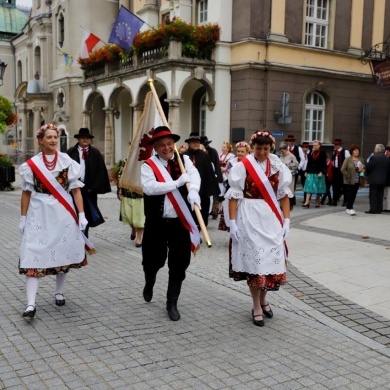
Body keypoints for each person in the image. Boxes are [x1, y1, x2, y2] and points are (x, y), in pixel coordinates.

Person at [18, 124, 90, 318]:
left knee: (62, 252)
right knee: (32, 252)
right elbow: (26, 193)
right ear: (40, 140)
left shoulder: (67, 161)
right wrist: (23, 218)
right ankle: (31, 304)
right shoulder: (32, 164)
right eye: (48, 137)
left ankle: (59, 292)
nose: (52, 140)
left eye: (55, 137)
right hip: (39, 213)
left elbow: (76, 190)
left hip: (62, 213)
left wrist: (82, 215)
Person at [226, 130, 292, 327]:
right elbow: (234, 195)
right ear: (252, 148)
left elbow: (284, 195)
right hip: (249, 215)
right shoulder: (242, 166)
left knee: (269, 261)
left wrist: (287, 220)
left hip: (271, 217)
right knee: (256, 262)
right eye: (258, 148)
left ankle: (264, 299)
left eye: (265, 148)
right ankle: (256, 305)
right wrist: (232, 222)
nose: (261, 152)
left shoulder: (278, 167)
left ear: (270, 148)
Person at [141, 126, 201, 321]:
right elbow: (150, 188)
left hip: (179, 222)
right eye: (162, 145)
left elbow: (194, 176)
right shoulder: (148, 166)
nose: (167, 148)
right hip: (157, 222)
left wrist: (193, 191)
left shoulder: (183, 161)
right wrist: (176, 183)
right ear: (156, 148)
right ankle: (149, 281)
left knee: (179, 262)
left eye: (169, 144)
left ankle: (172, 302)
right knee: (153, 260)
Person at [67, 128, 111, 237]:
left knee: (87, 213)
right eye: (83, 138)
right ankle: (74, 235)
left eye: (87, 138)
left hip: (88, 188)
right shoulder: (70, 152)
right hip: (74, 187)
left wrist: (93, 187)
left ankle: (84, 236)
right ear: (78, 139)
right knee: (74, 211)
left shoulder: (95, 153)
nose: (85, 140)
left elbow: (100, 171)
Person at [183, 133, 220, 227]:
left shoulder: (204, 155)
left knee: (202, 216)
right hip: (187, 191)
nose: (195, 144)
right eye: (193, 142)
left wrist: (211, 189)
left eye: (197, 142)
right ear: (189, 143)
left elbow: (209, 173)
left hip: (203, 191)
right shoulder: (184, 156)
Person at [219, 141, 251, 231]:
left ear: (247, 152)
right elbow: (228, 172)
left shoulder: (250, 162)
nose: (240, 153)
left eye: (242, 151)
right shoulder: (232, 161)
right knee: (230, 208)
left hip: (246, 189)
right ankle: (232, 227)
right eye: (238, 151)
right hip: (232, 187)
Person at [116, 159, 144, 247]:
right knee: (128, 217)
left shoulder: (146, 161)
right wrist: (119, 191)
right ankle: (133, 229)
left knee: (140, 218)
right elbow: (120, 176)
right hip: (127, 193)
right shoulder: (126, 160)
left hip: (141, 194)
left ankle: (139, 238)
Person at [365, 144, 389, 214]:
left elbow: (368, 167)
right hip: (383, 179)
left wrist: (367, 173)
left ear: (378, 150)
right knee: (380, 195)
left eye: (375, 148)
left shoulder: (374, 157)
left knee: (373, 195)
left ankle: (373, 209)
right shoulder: (386, 158)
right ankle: (379, 208)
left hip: (374, 179)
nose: (374, 150)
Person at [341, 144, 365, 216]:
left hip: (357, 179)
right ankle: (351, 208)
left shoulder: (361, 159)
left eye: (358, 150)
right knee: (349, 195)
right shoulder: (348, 159)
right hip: (348, 180)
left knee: (354, 194)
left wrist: (362, 171)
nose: (357, 152)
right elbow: (342, 169)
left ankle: (348, 208)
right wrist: (348, 175)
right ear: (352, 151)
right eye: (355, 150)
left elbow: (363, 169)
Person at [302, 140, 327, 208]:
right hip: (311, 172)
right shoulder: (310, 152)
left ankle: (317, 201)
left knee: (318, 188)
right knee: (308, 187)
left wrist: (322, 172)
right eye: (313, 145)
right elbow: (308, 163)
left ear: (319, 146)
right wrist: (306, 171)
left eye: (316, 145)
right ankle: (307, 201)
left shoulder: (322, 153)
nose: (314, 147)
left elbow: (324, 163)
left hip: (318, 172)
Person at [278, 141, 298, 210]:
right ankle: (282, 205)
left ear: (286, 149)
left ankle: (290, 204)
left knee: (289, 190)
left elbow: (295, 165)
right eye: (281, 151)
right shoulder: (281, 156)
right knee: (282, 190)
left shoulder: (291, 156)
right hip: (282, 175)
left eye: (283, 151)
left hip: (289, 176)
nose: (282, 152)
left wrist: (288, 165)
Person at [331, 138, 350, 206]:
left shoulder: (345, 151)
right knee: (335, 186)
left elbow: (348, 161)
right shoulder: (335, 152)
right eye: (335, 144)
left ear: (340, 145)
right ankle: (334, 200)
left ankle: (345, 201)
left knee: (344, 186)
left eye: (337, 145)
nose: (335, 146)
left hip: (342, 171)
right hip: (335, 170)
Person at [383, 146, 390, 212]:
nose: (387, 153)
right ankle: (387, 207)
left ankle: (388, 207)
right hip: (387, 179)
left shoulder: (387, 160)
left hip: (388, 180)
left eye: (388, 151)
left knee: (388, 194)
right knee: (387, 194)